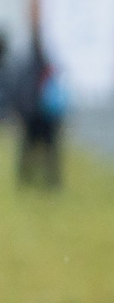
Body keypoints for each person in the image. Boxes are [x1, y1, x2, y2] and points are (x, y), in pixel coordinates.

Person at [14, 29, 61, 189]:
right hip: (36, 110)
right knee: (36, 148)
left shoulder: (35, 61)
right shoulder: (33, 62)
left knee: (44, 148)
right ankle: (33, 180)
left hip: (42, 110)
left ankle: (46, 181)